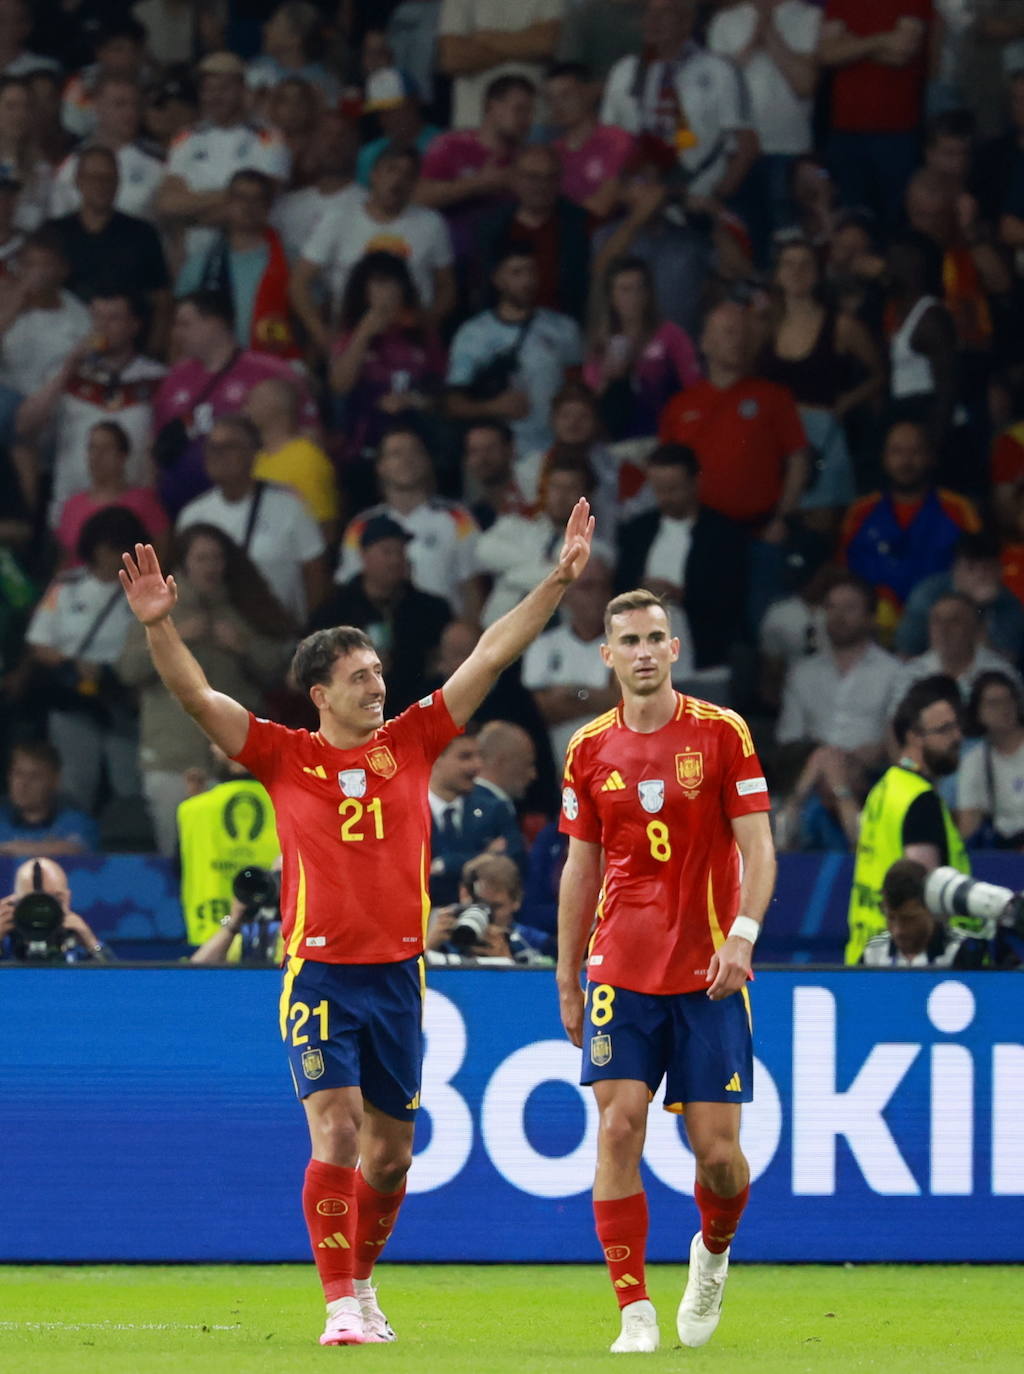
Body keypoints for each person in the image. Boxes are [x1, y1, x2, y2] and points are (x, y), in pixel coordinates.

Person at [118, 493, 594, 1347]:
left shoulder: (410, 740)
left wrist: (557, 581)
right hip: (320, 972)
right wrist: (160, 625)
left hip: (401, 975)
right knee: (335, 1128)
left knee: (391, 1157)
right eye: (360, 678)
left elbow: (490, 651)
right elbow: (194, 695)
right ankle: (340, 1306)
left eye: (379, 673)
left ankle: (363, 1285)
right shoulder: (281, 754)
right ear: (320, 694)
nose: (379, 685)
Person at [555, 586, 775, 1353]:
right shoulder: (588, 750)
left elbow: (758, 849)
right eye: (630, 641)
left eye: (656, 638)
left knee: (718, 1158)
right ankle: (635, 1311)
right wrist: (567, 973)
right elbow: (580, 870)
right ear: (607, 655)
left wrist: (742, 935)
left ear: (674, 650)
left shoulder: (721, 733)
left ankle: (712, 1251)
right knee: (618, 1126)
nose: (644, 651)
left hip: (709, 970)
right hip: (621, 967)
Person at [119, 523, 296, 857]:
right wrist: (172, 634)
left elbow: (279, 674)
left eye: (217, 558)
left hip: (238, 761)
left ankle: (237, 913)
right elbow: (127, 671)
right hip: (172, 758)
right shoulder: (157, 609)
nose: (211, 566)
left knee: (242, 857)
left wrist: (244, 646)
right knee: (179, 857)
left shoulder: (245, 608)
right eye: (201, 558)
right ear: (184, 563)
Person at [25, 506, 147, 813]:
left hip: (121, 697)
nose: (114, 555)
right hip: (73, 698)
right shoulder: (66, 586)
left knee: (129, 784)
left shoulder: (145, 593)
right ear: (94, 548)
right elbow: (40, 640)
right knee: (74, 783)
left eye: (121, 547)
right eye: (108, 547)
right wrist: (73, 665)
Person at [152, 290, 318, 515]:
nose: (175, 334)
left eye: (184, 324)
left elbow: (309, 433)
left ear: (215, 323)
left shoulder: (270, 372)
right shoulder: (174, 378)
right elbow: (156, 444)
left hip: (251, 506)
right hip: (180, 508)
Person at [846, 673, 969, 965]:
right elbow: (927, 894)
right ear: (914, 736)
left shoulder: (886, 786)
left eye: (956, 726)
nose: (958, 738)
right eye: (945, 730)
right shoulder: (920, 801)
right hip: (907, 961)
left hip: (865, 957)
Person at [600, 0, 759, 218]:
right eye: (649, 12)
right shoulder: (624, 71)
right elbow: (608, 143)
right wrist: (622, 193)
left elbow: (746, 146)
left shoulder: (720, 71)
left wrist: (718, 195)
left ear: (688, 21)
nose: (653, 20)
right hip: (638, 204)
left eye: (666, 12)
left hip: (699, 201)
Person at [290, 145, 455, 354]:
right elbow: (299, 281)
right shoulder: (338, 219)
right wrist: (320, 334)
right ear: (373, 175)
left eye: (407, 174)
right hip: (349, 337)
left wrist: (427, 322)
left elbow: (447, 287)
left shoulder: (432, 223)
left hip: (408, 342)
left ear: (415, 183)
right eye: (391, 170)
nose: (397, 180)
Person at [16, 291, 166, 519]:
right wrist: (68, 369)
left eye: (113, 318)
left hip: (134, 512)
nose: (102, 326)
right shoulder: (67, 373)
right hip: (70, 511)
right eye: (97, 318)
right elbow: (24, 426)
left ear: (134, 325)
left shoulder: (157, 378)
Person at [614, 444, 748, 698]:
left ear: (694, 482)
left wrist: (681, 594)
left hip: (703, 659)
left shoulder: (724, 534)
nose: (665, 497)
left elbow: (731, 596)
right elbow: (618, 585)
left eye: (673, 489)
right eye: (659, 490)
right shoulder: (637, 531)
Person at [176, 413, 328, 622]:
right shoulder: (192, 516)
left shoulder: (290, 507)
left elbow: (315, 575)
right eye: (212, 448)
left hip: (279, 638)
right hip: (217, 640)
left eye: (229, 447)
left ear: (253, 452)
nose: (217, 455)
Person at [841, 421, 981, 636]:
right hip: (871, 635)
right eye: (896, 452)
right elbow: (843, 577)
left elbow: (978, 576)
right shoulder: (860, 512)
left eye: (915, 451)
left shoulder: (958, 510)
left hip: (941, 631)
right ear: (884, 459)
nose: (905, 461)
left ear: (931, 457)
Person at [446, 245, 584, 458]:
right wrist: (493, 407)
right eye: (516, 273)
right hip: (498, 454)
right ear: (498, 279)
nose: (526, 280)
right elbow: (453, 403)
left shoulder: (563, 328)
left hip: (555, 448)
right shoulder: (473, 334)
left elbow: (578, 389)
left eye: (531, 271)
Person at [308, 514, 452, 716]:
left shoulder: (431, 609)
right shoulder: (336, 611)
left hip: (417, 714)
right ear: (364, 556)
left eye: (400, 552)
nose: (395, 560)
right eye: (387, 552)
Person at [155, 51, 290, 264]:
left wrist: (190, 215)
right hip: (193, 257)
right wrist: (232, 196)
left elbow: (260, 201)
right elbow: (167, 204)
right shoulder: (186, 137)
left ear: (243, 90)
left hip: (249, 254)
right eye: (208, 89)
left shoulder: (268, 138)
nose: (215, 96)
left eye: (224, 89)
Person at [327, 250, 447, 473]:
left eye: (394, 283)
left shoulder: (423, 335)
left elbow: (442, 394)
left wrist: (414, 400)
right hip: (362, 447)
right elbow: (339, 385)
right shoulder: (350, 335)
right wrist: (363, 335)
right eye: (379, 284)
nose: (388, 292)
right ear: (364, 291)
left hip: (417, 441)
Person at [817, 0, 929, 232]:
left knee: (896, 219)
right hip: (845, 129)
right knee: (848, 219)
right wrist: (881, 40)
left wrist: (851, 44)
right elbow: (827, 54)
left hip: (897, 129)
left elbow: (901, 52)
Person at [48, 146, 171, 338]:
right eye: (94, 178)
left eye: (108, 178)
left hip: (130, 348)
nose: (101, 185)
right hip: (65, 341)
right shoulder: (54, 233)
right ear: (78, 181)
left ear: (118, 182)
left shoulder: (143, 233)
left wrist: (155, 347)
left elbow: (161, 299)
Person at [175, 168, 298, 359]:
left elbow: (308, 317)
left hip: (271, 368)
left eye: (257, 199)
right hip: (210, 369)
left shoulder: (290, 259)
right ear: (227, 203)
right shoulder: (200, 262)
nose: (248, 207)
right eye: (240, 198)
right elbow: (181, 326)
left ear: (269, 206)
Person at [584, 255, 701, 441]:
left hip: (662, 436)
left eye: (640, 288)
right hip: (616, 440)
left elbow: (693, 387)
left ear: (649, 293)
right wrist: (608, 378)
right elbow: (589, 401)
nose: (634, 297)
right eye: (625, 290)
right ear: (611, 296)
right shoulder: (600, 344)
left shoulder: (671, 335)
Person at [176, 749, 282, 948]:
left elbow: (177, 869)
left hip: (208, 938)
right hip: (277, 940)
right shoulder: (290, 803)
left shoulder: (192, 809)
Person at [523, 553, 621, 767]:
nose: (597, 595)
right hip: (557, 767)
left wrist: (571, 693)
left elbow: (626, 707)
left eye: (603, 587)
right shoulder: (543, 645)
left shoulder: (627, 644)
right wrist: (599, 698)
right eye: (587, 587)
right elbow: (538, 711)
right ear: (566, 595)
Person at [479, 143, 592, 323]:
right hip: (501, 331)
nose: (542, 185)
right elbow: (482, 290)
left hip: (564, 332)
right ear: (515, 178)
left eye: (550, 177)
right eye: (533, 177)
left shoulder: (579, 224)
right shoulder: (490, 227)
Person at [53, 420, 169, 567]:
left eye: (106, 449)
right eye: (92, 448)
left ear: (122, 456)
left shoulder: (144, 502)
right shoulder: (71, 506)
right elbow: (64, 561)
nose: (97, 456)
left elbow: (161, 553)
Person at [50, 74, 164, 221]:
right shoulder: (72, 163)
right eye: (120, 104)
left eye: (135, 105)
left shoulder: (157, 162)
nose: (130, 113)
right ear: (97, 106)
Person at [428, 730, 523, 905]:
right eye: (465, 757)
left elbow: (513, 863)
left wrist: (443, 865)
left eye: (479, 756)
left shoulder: (495, 808)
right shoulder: (406, 811)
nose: (477, 765)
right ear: (434, 758)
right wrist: (484, 856)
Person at [437, 0, 563, 130]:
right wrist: (524, 43)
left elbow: (544, 44)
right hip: (472, 122)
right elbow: (453, 59)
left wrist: (485, 39)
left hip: (535, 122)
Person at [245, 376, 340, 544]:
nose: (245, 408)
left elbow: (324, 529)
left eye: (253, 400)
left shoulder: (306, 459)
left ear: (274, 407)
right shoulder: (256, 459)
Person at [547, 61, 634, 219]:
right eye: (551, 99)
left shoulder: (616, 141)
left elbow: (603, 205)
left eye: (566, 95)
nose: (557, 106)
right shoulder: (552, 151)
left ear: (591, 92)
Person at [861, 858, 983, 968]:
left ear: (931, 909)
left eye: (909, 919)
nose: (898, 930)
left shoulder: (959, 950)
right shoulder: (873, 951)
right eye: (891, 918)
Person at [956, 670, 1024, 849]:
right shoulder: (974, 761)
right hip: (1003, 850)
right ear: (978, 712)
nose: (1004, 708)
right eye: (994, 703)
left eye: (1009, 700)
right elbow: (969, 825)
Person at [0, 855, 109, 961]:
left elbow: (112, 977)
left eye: (55, 898)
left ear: (67, 898)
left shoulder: (78, 947)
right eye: (32, 900)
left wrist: (92, 945)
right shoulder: (5, 942)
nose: (42, 910)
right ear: (14, 901)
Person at [0, 740, 98, 855]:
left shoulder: (77, 821)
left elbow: (75, 850)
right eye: (18, 774)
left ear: (54, 781)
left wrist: (10, 849)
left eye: (34, 776)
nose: (23, 784)